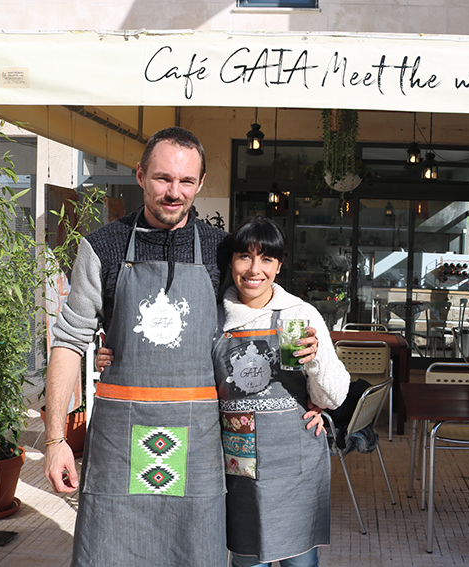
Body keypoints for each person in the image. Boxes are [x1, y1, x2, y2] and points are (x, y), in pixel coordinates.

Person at [43, 127, 323, 567]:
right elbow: (68, 340)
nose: (174, 192)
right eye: (163, 178)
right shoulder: (101, 247)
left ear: (200, 182)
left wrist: (308, 385)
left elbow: (260, 317)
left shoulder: (220, 249)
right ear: (140, 175)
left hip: (198, 439)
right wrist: (55, 439)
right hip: (120, 437)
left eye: (186, 181)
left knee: (194, 552)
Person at [98, 216, 348, 566]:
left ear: (279, 266)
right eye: (245, 256)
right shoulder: (212, 319)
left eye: (267, 259)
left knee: (300, 562)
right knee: (247, 560)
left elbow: (333, 396)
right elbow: (173, 362)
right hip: (237, 462)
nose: (254, 270)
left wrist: (316, 361)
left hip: (295, 461)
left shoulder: (301, 315)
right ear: (231, 262)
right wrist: (118, 354)